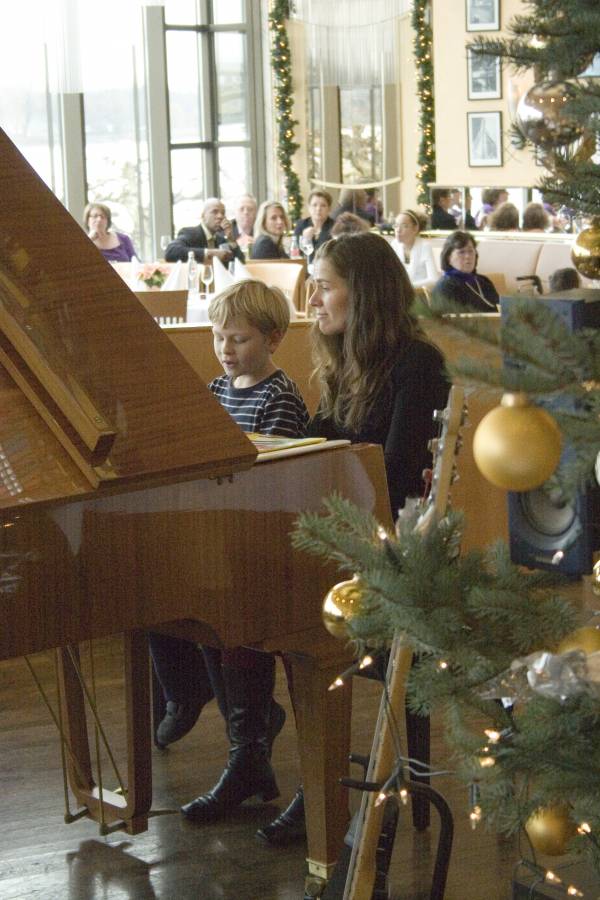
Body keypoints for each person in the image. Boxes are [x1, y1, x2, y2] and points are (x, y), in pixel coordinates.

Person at [258, 232, 449, 845]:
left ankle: (320, 791)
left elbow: (390, 480)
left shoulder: (417, 364)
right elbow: (323, 442)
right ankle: (262, 751)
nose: (311, 296)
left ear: (363, 294)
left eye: (326, 284)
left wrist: (319, 461)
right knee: (241, 583)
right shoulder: (346, 362)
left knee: (287, 612)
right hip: (346, 540)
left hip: (396, 556)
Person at [152, 280, 309, 825]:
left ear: (273, 338)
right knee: (157, 597)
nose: (225, 349)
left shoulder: (278, 397)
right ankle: (188, 697)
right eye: (220, 337)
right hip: (217, 532)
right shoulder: (220, 389)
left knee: (229, 625)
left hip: (256, 542)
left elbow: (268, 480)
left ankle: (250, 749)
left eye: (238, 339)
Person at [432, 230, 499, 312]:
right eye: (461, 252)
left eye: (471, 251)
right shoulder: (445, 287)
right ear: (448, 258)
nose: (467, 256)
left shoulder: (484, 282)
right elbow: (445, 323)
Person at [164, 198, 244, 264]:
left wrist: (231, 239)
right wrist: (210, 254)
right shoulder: (190, 233)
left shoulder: (222, 239)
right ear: (203, 216)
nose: (220, 216)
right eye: (214, 212)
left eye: (223, 213)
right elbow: (171, 252)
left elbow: (241, 264)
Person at [391, 210, 439, 291]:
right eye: (396, 225)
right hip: (399, 295)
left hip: (420, 294)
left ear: (415, 228)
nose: (398, 230)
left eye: (404, 226)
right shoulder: (394, 245)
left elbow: (434, 279)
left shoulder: (424, 246)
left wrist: (407, 287)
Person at [293, 190, 335, 262]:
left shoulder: (335, 226)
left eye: (323, 205)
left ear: (329, 208)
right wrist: (305, 240)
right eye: (314, 205)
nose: (318, 209)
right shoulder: (301, 225)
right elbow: (296, 253)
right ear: (309, 207)